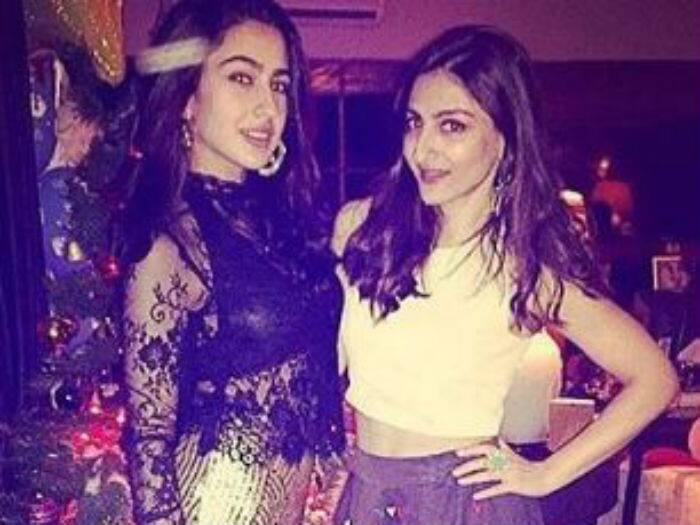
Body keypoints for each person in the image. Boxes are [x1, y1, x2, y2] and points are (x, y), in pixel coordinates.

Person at [331, 25, 678, 525]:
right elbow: (332, 363)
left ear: (505, 139)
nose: (422, 149)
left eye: (452, 126)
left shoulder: (524, 262)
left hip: (467, 500)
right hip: (366, 488)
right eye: (414, 122)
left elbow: (655, 379)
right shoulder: (361, 227)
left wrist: (543, 474)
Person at [121, 1, 344, 524]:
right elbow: (150, 436)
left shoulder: (286, 220)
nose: (269, 107)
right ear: (187, 98)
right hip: (214, 506)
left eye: (280, 85)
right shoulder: (172, 242)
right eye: (242, 78)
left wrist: (333, 460)